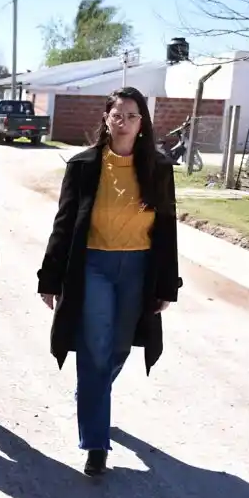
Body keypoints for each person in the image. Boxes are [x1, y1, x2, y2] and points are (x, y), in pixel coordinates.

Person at [37, 87, 181, 477]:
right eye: (118, 115)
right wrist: (49, 277)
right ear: (106, 118)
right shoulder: (84, 166)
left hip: (138, 269)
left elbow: (166, 229)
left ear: (142, 123)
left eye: (133, 116)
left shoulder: (159, 169)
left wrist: (168, 285)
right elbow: (65, 224)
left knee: (118, 348)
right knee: (95, 349)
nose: (124, 122)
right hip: (94, 267)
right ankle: (96, 445)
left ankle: (92, 393)